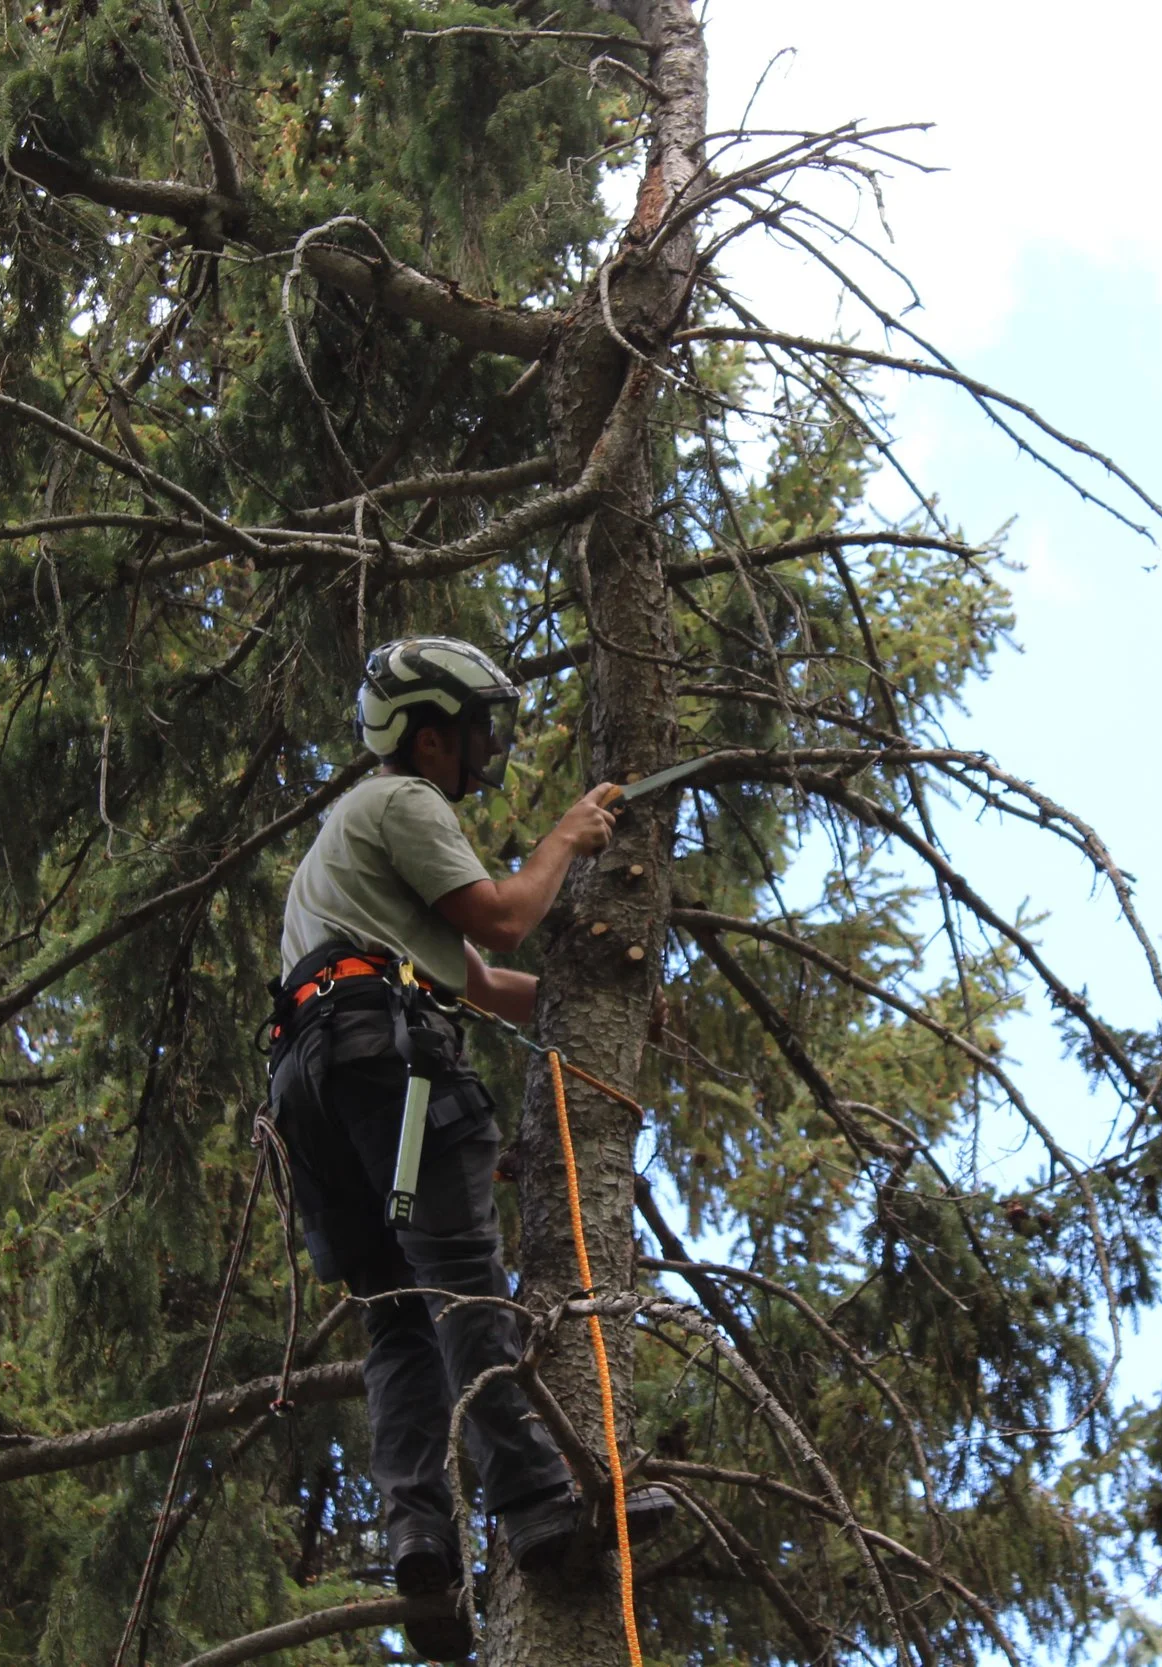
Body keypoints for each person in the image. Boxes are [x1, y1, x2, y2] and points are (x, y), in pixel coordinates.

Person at [269, 636, 674, 1662]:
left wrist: (603, 1011)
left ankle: (419, 1538)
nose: (485, 752)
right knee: (464, 1283)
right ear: (430, 733)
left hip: (314, 1085)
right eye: (477, 732)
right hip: (385, 1053)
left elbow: (486, 981)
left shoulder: (338, 863)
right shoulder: (403, 801)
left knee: (400, 1318)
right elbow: (501, 914)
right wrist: (568, 837)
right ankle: (538, 1502)